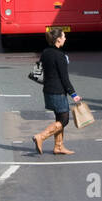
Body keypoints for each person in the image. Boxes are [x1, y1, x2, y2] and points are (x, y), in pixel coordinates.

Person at [32, 26, 80, 156]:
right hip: (58, 91)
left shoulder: (45, 52)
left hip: (47, 90)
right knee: (64, 120)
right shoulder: (60, 56)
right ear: (58, 40)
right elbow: (65, 78)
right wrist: (73, 94)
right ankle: (41, 136)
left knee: (59, 117)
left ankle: (59, 147)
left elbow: (40, 70)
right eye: (64, 36)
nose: (65, 38)